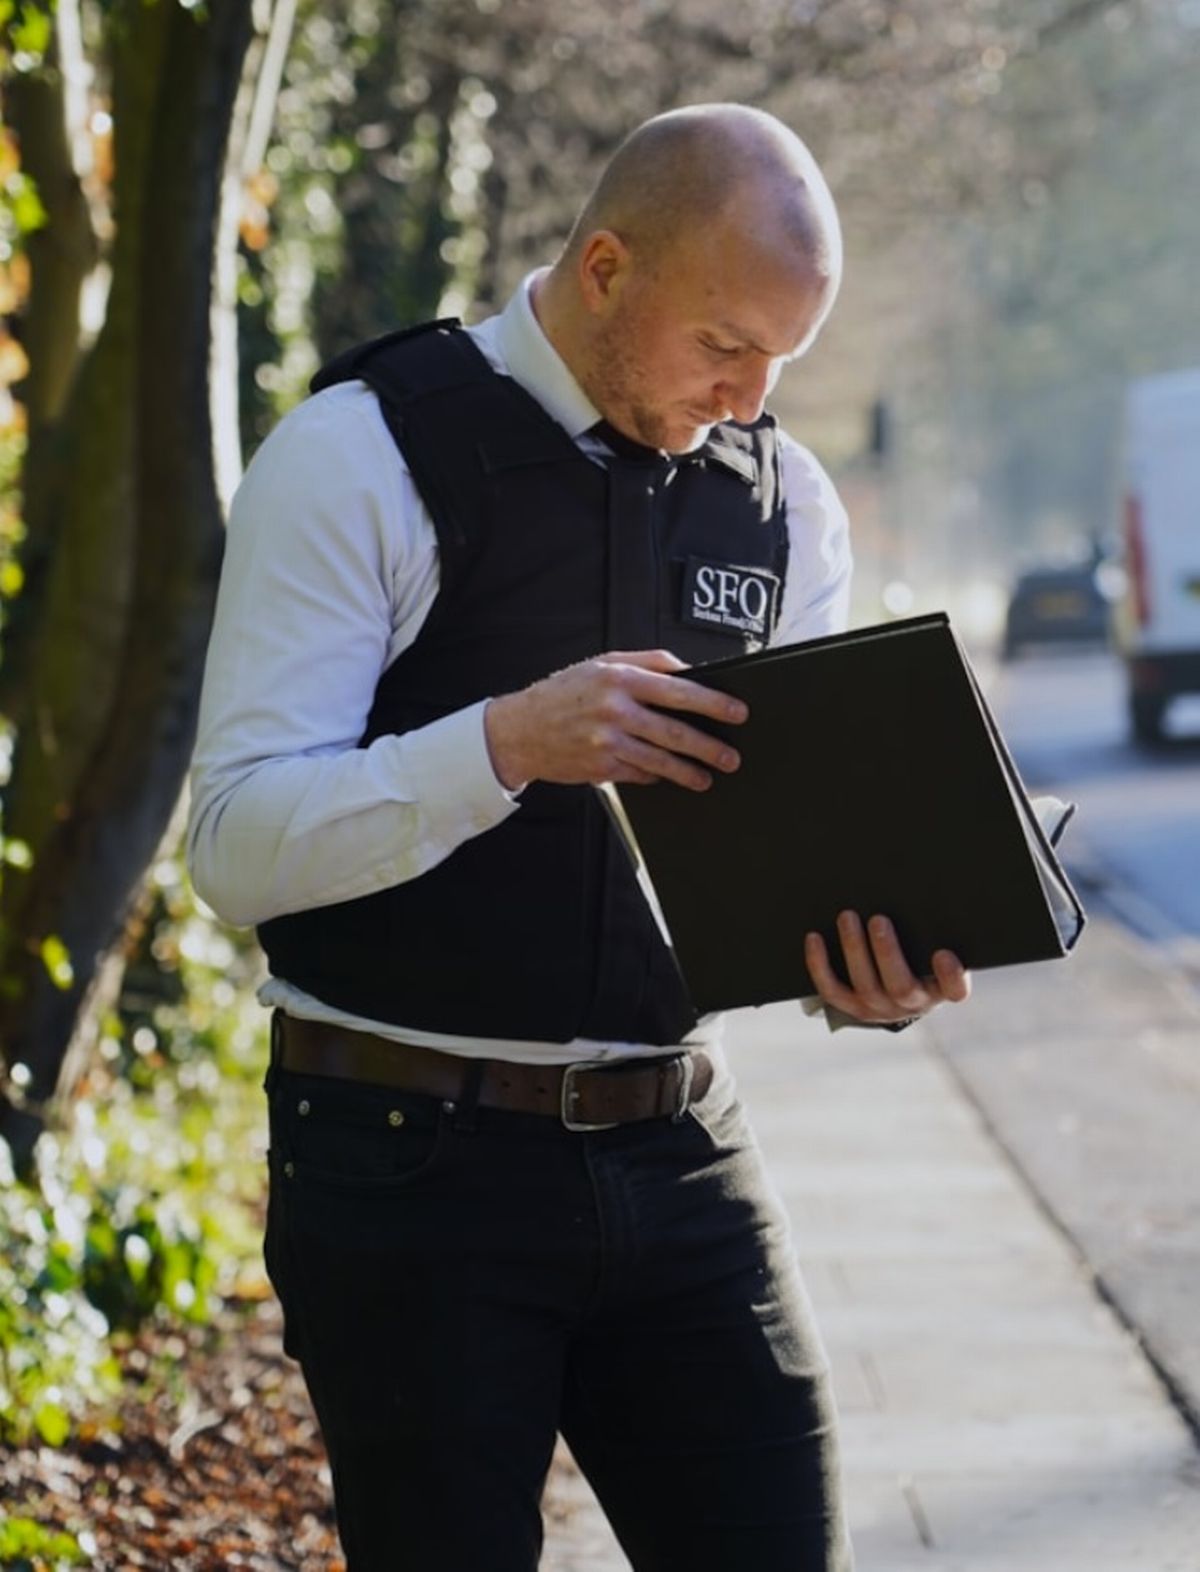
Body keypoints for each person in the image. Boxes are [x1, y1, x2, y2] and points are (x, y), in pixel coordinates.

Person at [188, 103, 970, 1572]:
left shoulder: (784, 504)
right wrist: (501, 746)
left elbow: (784, 862)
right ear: (604, 268)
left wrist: (858, 973)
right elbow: (230, 847)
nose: (749, 399)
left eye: (781, 364)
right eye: (724, 345)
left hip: (682, 1145)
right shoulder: (360, 457)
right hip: (406, 1163)